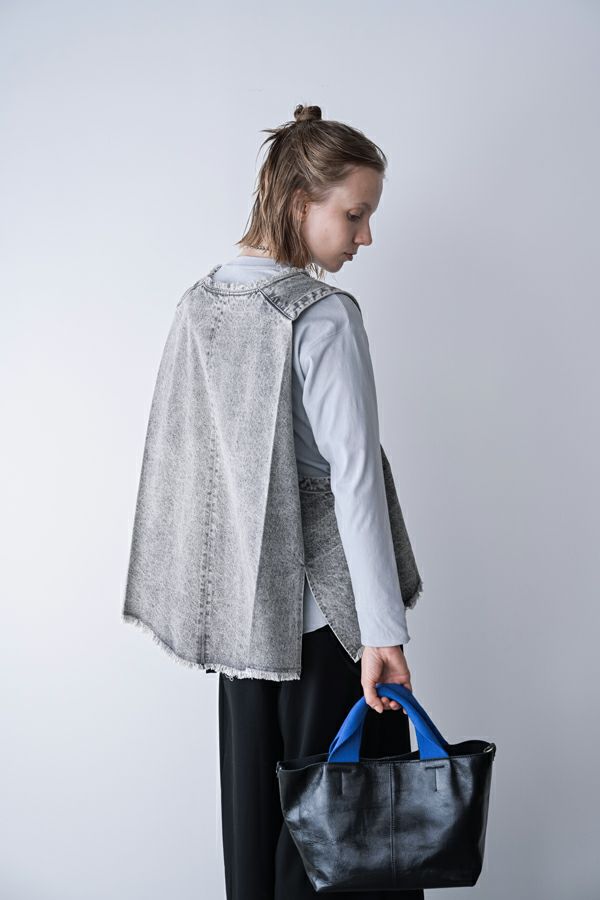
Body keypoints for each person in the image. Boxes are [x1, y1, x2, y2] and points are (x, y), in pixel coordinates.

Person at [122, 103, 424, 899]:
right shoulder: (322, 316)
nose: (365, 237)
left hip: (242, 628)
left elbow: (185, 460)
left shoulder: (198, 305)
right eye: (354, 214)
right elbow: (353, 479)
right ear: (299, 204)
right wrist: (382, 634)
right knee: (351, 849)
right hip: (328, 626)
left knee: (259, 842)